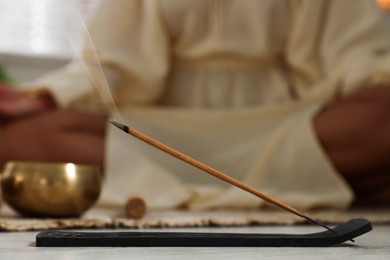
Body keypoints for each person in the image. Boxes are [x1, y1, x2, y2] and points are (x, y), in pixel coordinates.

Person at [1, 0, 389, 210]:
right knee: (16, 138)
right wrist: (44, 96)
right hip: (165, 133)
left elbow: (356, 57)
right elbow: (111, 67)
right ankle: (311, 181)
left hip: (288, 126)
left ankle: (176, 182)